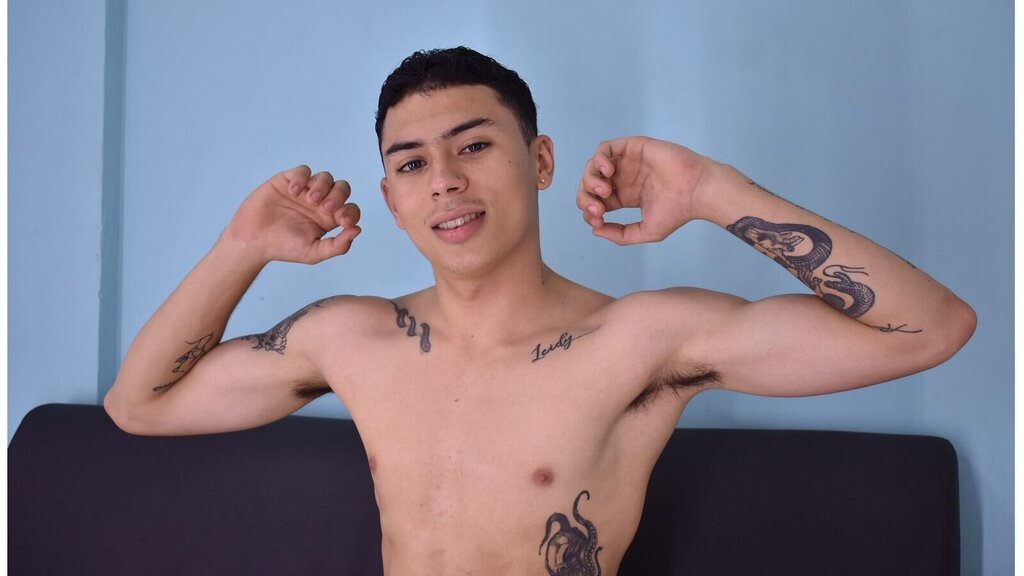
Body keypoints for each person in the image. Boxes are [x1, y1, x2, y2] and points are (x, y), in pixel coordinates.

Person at [104, 46, 976, 575]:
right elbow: (139, 406)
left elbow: (932, 328)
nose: (445, 181)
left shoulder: (642, 341)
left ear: (541, 161)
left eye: (475, 145)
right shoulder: (348, 336)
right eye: (413, 165)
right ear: (393, 198)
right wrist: (242, 246)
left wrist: (717, 192)